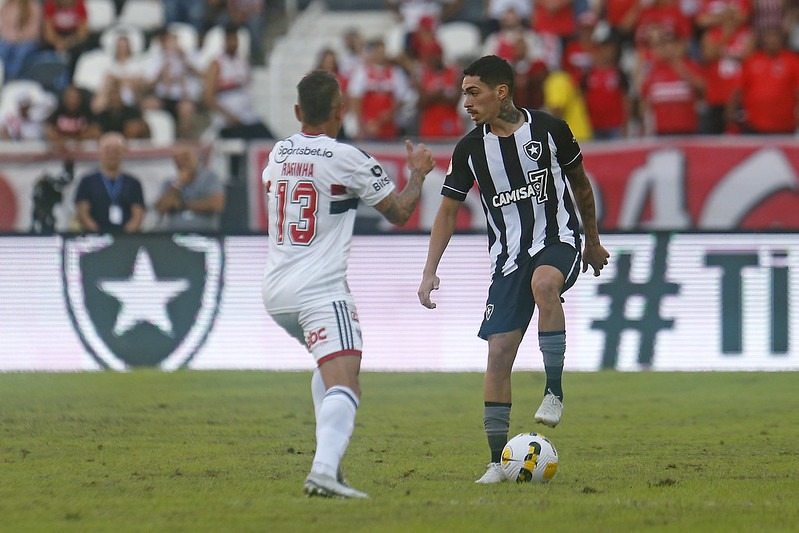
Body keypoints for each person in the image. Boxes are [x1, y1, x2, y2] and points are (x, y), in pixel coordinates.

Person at [417, 55, 609, 484]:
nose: (465, 102)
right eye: (463, 93)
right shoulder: (469, 149)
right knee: (498, 354)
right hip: (507, 260)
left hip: (558, 240)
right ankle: (494, 462)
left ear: (500, 92)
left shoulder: (549, 130)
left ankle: (554, 392)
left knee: (546, 285)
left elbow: (580, 185)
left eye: (473, 92)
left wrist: (592, 241)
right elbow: (447, 213)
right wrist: (430, 270)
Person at [262, 70, 435, 498]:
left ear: (299, 111)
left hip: (276, 291)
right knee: (346, 381)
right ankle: (322, 470)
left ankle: (330, 469)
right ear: (342, 110)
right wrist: (417, 175)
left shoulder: (277, 155)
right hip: (319, 290)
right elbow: (398, 213)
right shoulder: (347, 158)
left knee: (330, 367)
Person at [203, 23, 272, 140]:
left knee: (269, 140)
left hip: (248, 115)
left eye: (235, 39)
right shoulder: (216, 64)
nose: (234, 43)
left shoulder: (242, 61)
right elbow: (208, 96)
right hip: (228, 120)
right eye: (230, 40)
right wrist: (229, 117)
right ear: (224, 41)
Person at [75, 132, 145, 233]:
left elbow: (138, 215)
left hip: (127, 239)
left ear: (123, 152)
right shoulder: (87, 182)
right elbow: (83, 214)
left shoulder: (133, 183)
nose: (112, 155)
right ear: (100, 152)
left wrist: (124, 237)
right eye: (108, 150)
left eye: (116, 151)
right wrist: (98, 233)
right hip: (95, 237)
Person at [155, 143, 225, 231]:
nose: (182, 162)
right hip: (174, 235)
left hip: (204, 234)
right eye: (177, 159)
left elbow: (217, 204)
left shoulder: (209, 178)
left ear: (195, 157)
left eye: (186, 158)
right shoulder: (169, 183)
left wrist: (182, 205)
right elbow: (161, 208)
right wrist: (177, 184)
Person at [0, 0, 42, 80]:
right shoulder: (7, 5)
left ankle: (11, 79)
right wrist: (12, 37)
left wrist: (20, 37)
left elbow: (35, 30)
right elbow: (3, 26)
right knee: (2, 49)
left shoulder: (33, 5)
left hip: (27, 40)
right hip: (9, 39)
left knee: (20, 52)